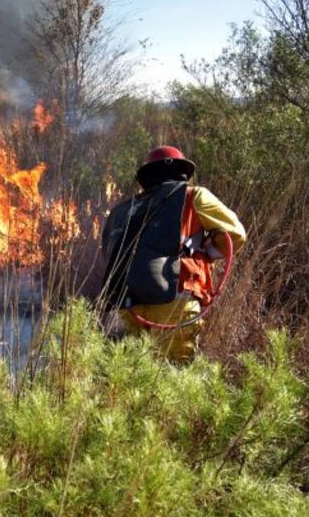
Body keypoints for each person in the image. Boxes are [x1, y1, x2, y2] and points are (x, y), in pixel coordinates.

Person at [98, 146, 246, 361]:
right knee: (175, 376)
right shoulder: (193, 195)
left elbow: (108, 253)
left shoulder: (122, 209)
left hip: (128, 305)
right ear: (182, 171)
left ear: (147, 176)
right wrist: (209, 254)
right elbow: (236, 234)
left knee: (140, 374)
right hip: (175, 300)